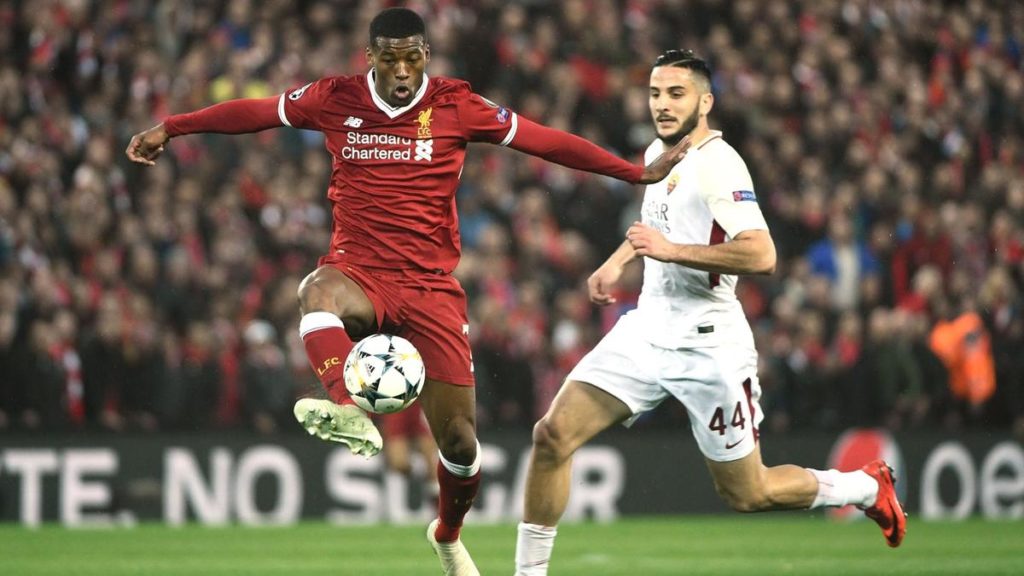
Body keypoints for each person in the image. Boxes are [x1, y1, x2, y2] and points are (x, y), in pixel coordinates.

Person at [125, 8, 688, 576]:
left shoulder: (456, 105)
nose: (401, 69)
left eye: (412, 57)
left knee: (462, 446)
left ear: (426, 56)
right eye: (390, 58)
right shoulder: (334, 98)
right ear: (370, 57)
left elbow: (544, 141)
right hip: (360, 272)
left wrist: (630, 172)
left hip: (430, 288)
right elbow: (254, 112)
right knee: (316, 290)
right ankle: (347, 407)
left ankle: (447, 533)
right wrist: (173, 126)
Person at [513, 49, 907, 576]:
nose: (662, 104)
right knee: (552, 436)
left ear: (705, 102)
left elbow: (762, 254)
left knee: (748, 493)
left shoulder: (720, 165)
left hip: (708, 342)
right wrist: (618, 261)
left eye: (676, 94)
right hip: (648, 328)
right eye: (655, 93)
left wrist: (670, 251)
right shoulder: (659, 150)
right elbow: (657, 224)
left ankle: (863, 487)